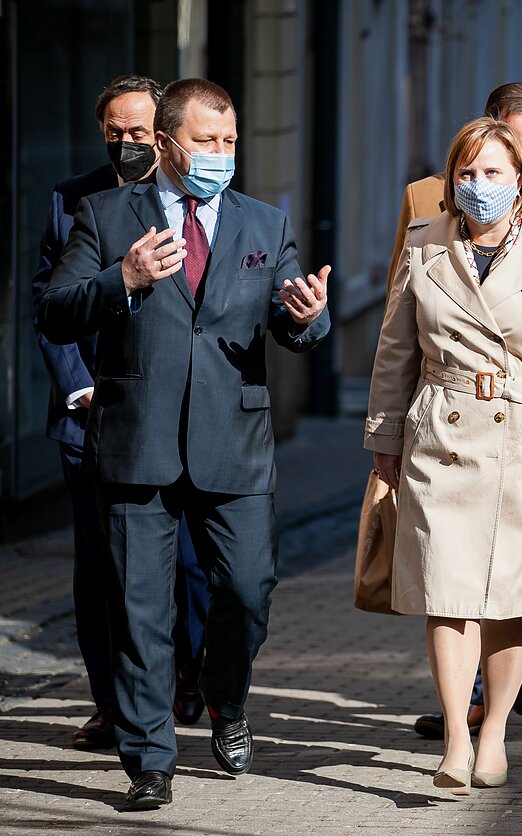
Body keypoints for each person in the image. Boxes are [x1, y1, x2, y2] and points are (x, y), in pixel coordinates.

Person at [38, 78, 331, 811]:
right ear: (167, 142)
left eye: (230, 141)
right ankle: (150, 760)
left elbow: (291, 320)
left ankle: (227, 699)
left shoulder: (265, 223)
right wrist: (124, 278)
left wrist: (309, 317)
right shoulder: (105, 214)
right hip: (136, 442)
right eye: (206, 141)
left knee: (246, 590)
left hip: (235, 442)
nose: (221, 154)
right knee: (138, 610)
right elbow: (56, 311)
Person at [366, 118, 522, 792]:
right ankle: (454, 736)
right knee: (446, 591)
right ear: (450, 179)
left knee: (511, 598)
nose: (479, 185)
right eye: (467, 173)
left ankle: (495, 731)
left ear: (519, 180)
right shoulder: (424, 243)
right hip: (440, 436)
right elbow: (394, 347)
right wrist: (384, 436)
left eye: (493, 172)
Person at [31, 75, 213, 748]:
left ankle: (189, 670)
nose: (125, 142)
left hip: (174, 418)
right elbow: (49, 304)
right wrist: (80, 389)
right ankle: (113, 703)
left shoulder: (195, 198)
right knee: (101, 570)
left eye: (138, 131)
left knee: (188, 563)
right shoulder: (71, 199)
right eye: (115, 131)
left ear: (163, 135)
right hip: (92, 417)